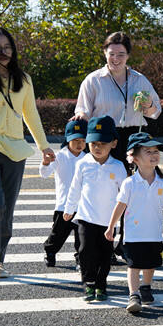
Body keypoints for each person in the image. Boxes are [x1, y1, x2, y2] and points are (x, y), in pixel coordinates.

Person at [0, 27, 55, 281]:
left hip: (16, 151)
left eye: (8, 47)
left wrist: (44, 146)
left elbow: (31, 115)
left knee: (8, 209)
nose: (4, 52)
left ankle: (0, 260)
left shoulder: (23, 79)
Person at [72, 31, 161, 261]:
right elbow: (82, 108)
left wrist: (148, 104)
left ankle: (124, 244)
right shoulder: (94, 80)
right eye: (112, 54)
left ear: (128, 55)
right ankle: (95, 245)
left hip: (132, 138)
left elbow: (155, 112)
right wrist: (81, 115)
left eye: (121, 54)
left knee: (128, 193)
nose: (116, 59)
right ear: (105, 53)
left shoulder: (139, 79)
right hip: (103, 139)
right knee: (101, 193)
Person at [105, 132, 163, 313]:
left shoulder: (162, 182)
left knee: (150, 264)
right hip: (133, 234)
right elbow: (120, 206)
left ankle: (146, 287)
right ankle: (134, 294)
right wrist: (111, 227)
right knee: (133, 265)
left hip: (154, 233)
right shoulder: (129, 183)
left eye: (156, 151)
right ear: (134, 158)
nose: (154, 154)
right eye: (148, 151)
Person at [63, 115, 127, 301]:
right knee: (85, 250)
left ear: (114, 144)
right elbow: (75, 188)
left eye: (103, 144)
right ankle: (88, 283)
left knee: (105, 255)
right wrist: (69, 209)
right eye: (93, 144)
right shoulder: (82, 164)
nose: (97, 148)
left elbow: (125, 194)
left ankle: (101, 284)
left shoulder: (118, 166)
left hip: (108, 221)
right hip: (85, 217)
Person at [39, 119, 87, 270]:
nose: (79, 144)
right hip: (63, 205)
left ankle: (81, 260)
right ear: (68, 138)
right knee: (58, 234)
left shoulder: (88, 157)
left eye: (83, 140)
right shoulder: (60, 156)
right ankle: (50, 251)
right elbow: (44, 174)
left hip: (82, 206)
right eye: (75, 140)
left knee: (82, 236)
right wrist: (46, 163)